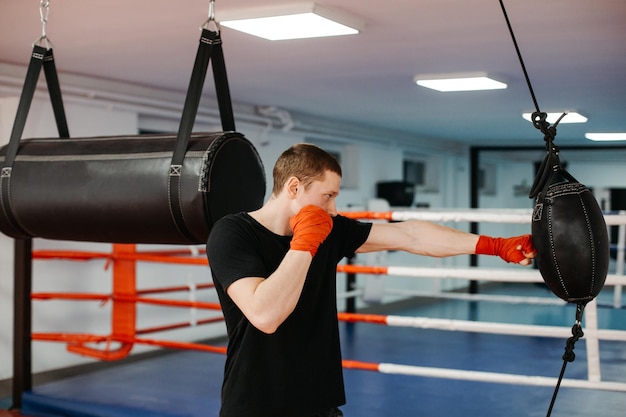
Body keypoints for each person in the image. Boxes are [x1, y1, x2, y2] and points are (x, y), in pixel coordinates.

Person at [206, 143, 535, 417]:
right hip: (256, 403)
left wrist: (494, 246)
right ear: (294, 187)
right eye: (327, 196)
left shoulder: (328, 228)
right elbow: (266, 315)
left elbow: (411, 235)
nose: (333, 209)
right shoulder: (233, 233)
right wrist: (305, 243)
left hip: (318, 400)